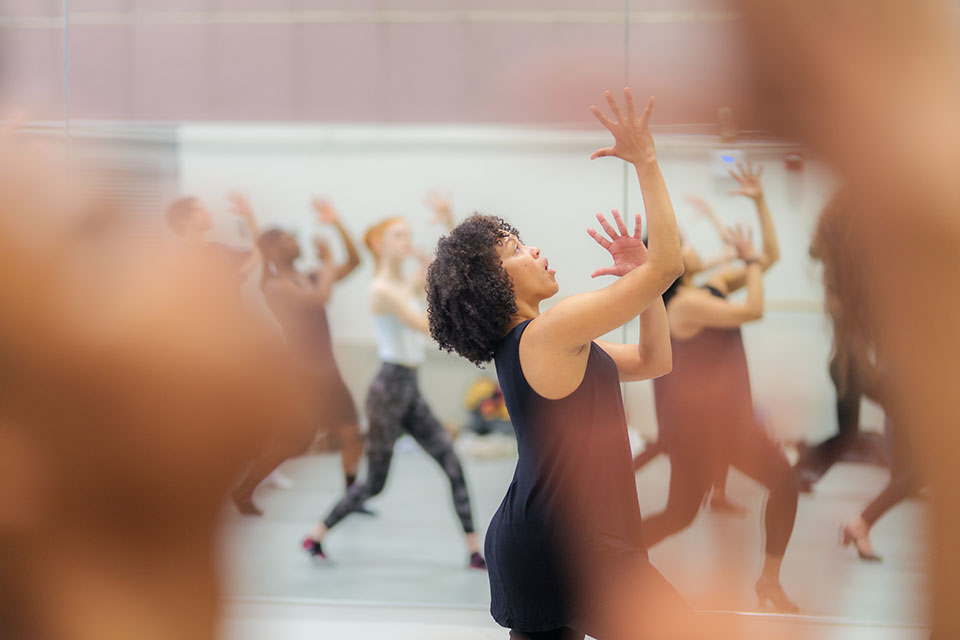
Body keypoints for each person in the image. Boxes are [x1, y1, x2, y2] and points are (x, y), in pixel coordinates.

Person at [425, 87, 706, 639]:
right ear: (494, 282)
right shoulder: (547, 334)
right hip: (561, 545)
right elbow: (671, 264)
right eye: (514, 249)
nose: (532, 250)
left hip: (573, 539)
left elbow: (654, 360)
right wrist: (646, 162)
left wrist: (638, 282)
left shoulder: (551, 344)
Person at [641, 159, 800, 613]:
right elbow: (753, 309)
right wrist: (747, 262)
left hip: (729, 423)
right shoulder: (685, 304)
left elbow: (769, 259)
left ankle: (768, 580)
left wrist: (760, 202)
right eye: (684, 242)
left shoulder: (705, 289)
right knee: (679, 515)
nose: (691, 246)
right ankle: (609, 557)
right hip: (700, 431)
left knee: (784, 484)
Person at [301, 194, 485, 570]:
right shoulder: (382, 290)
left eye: (408, 235)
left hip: (410, 389)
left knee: (452, 464)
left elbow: (445, 268)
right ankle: (316, 534)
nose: (407, 242)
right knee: (375, 484)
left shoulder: (404, 285)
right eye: (399, 236)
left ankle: (473, 550)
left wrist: (448, 217)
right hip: (387, 391)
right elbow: (424, 325)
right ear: (380, 244)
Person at [231, 198, 365, 516]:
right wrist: (329, 261)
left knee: (351, 432)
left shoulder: (310, 275)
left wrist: (337, 223)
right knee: (293, 442)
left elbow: (356, 261)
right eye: (288, 239)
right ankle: (243, 489)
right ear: (275, 251)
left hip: (327, 371)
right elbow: (321, 297)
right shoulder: (275, 286)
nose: (296, 242)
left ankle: (350, 498)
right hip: (303, 377)